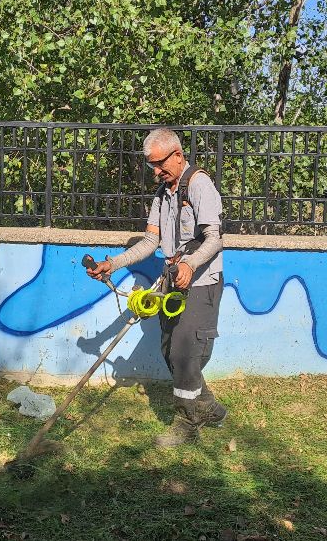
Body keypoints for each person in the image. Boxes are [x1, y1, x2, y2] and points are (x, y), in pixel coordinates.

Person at [86, 128, 226, 447]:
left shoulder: (201, 185)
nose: (157, 172)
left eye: (160, 164)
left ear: (177, 155)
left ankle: (187, 424)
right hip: (172, 279)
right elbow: (151, 241)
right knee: (168, 349)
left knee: (185, 352)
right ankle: (209, 408)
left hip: (201, 282)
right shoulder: (162, 196)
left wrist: (190, 264)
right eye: (152, 166)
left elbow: (214, 239)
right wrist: (115, 263)